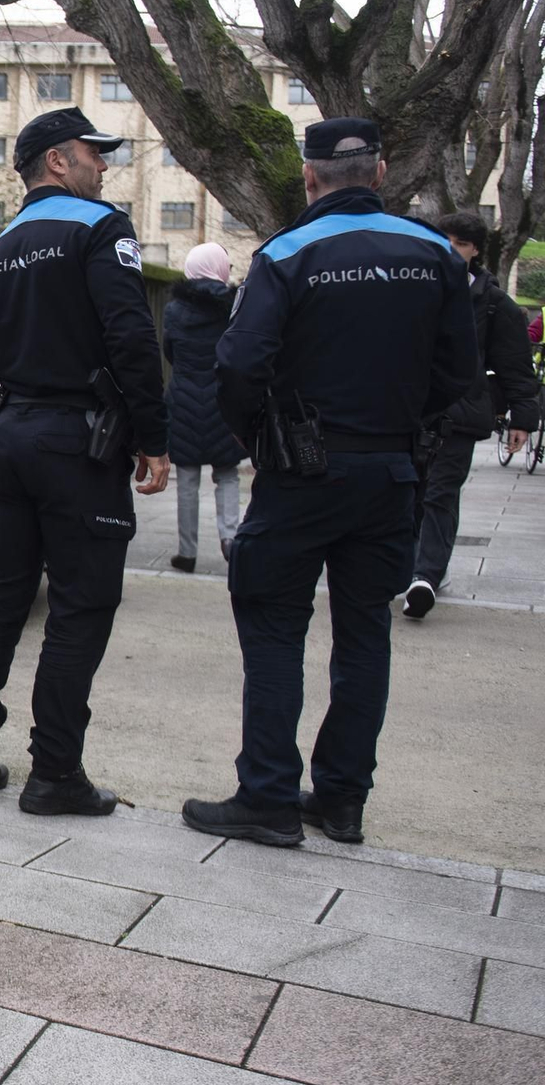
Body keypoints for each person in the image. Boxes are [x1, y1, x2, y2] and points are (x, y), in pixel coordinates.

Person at [183, 118, 474, 848]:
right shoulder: (437, 252)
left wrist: (261, 438)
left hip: (301, 472)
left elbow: (239, 364)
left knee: (275, 625)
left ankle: (270, 797)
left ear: (310, 179)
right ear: (379, 174)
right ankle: (342, 798)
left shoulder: (287, 253)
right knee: (365, 631)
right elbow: (460, 373)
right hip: (391, 470)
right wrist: (406, 424)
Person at [0, 108, 170, 816]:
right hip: (78, 444)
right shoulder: (101, 228)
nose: (104, 167)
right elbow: (132, 335)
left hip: (11, 440)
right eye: (92, 154)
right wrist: (155, 438)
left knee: (0, 604)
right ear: (56, 162)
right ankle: (54, 774)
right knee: (79, 610)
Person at [403, 211, 539, 618]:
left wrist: (522, 418)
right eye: (443, 242)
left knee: (441, 493)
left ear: (475, 250)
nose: (449, 251)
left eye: (459, 244)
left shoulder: (494, 304)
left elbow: (516, 364)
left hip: (461, 412)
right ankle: (416, 569)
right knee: (412, 493)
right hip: (412, 411)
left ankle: (424, 576)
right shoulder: (415, 291)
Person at [163, 242, 246, 573]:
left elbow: (170, 351)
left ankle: (187, 552)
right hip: (221, 399)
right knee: (227, 474)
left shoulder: (173, 310)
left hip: (183, 398)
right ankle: (229, 539)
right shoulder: (233, 306)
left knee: (186, 480)